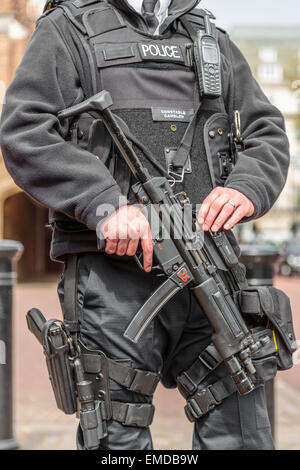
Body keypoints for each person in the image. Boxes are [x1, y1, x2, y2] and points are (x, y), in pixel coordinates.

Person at [0, 0, 290, 450]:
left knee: (241, 429)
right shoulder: (68, 28)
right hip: (114, 278)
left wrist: (247, 186)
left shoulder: (206, 35)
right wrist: (104, 204)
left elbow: (265, 129)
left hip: (209, 265)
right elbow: (25, 130)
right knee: (117, 437)